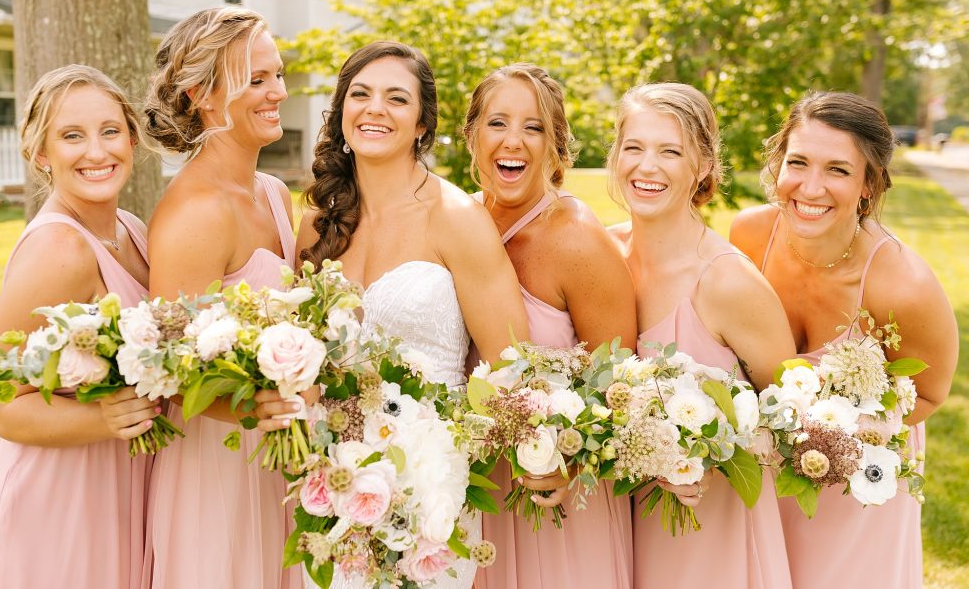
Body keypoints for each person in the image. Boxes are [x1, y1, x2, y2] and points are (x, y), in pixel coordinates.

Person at [281, 40, 529, 589]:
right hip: (335, 478)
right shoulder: (317, 223)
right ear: (342, 111)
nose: (375, 109)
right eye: (361, 94)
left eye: (396, 98)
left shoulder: (455, 217)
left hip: (431, 483)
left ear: (421, 124)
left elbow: (509, 364)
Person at [730, 91, 958, 589]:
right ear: (777, 165)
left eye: (838, 169)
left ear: (868, 184)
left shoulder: (904, 286)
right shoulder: (748, 237)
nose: (811, 188)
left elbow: (930, 393)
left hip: (856, 484)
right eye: (798, 163)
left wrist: (839, 439)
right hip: (763, 474)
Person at [0, 65, 155, 589]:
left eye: (110, 131)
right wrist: (106, 421)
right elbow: (6, 406)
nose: (97, 152)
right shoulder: (58, 247)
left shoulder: (131, 230)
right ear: (42, 154)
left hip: (115, 480)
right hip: (59, 494)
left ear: (132, 139)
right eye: (72, 136)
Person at [607, 83, 795, 589]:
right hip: (615, 528)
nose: (647, 167)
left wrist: (710, 455)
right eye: (634, 147)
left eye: (671, 151)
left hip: (711, 538)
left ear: (705, 166)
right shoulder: (600, 257)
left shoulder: (727, 281)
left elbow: (790, 415)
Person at [143, 7, 302, 588]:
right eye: (256, 80)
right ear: (202, 95)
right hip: (219, 467)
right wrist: (256, 409)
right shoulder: (195, 215)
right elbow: (170, 373)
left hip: (280, 463)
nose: (277, 92)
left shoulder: (275, 194)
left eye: (278, 75)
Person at [463, 63, 636, 589]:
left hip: (553, 497)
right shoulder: (456, 220)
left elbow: (621, 381)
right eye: (497, 123)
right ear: (470, 134)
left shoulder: (577, 237)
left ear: (556, 147)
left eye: (533, 127)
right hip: (470, 489)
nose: (512, 141)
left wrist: (568, 461)